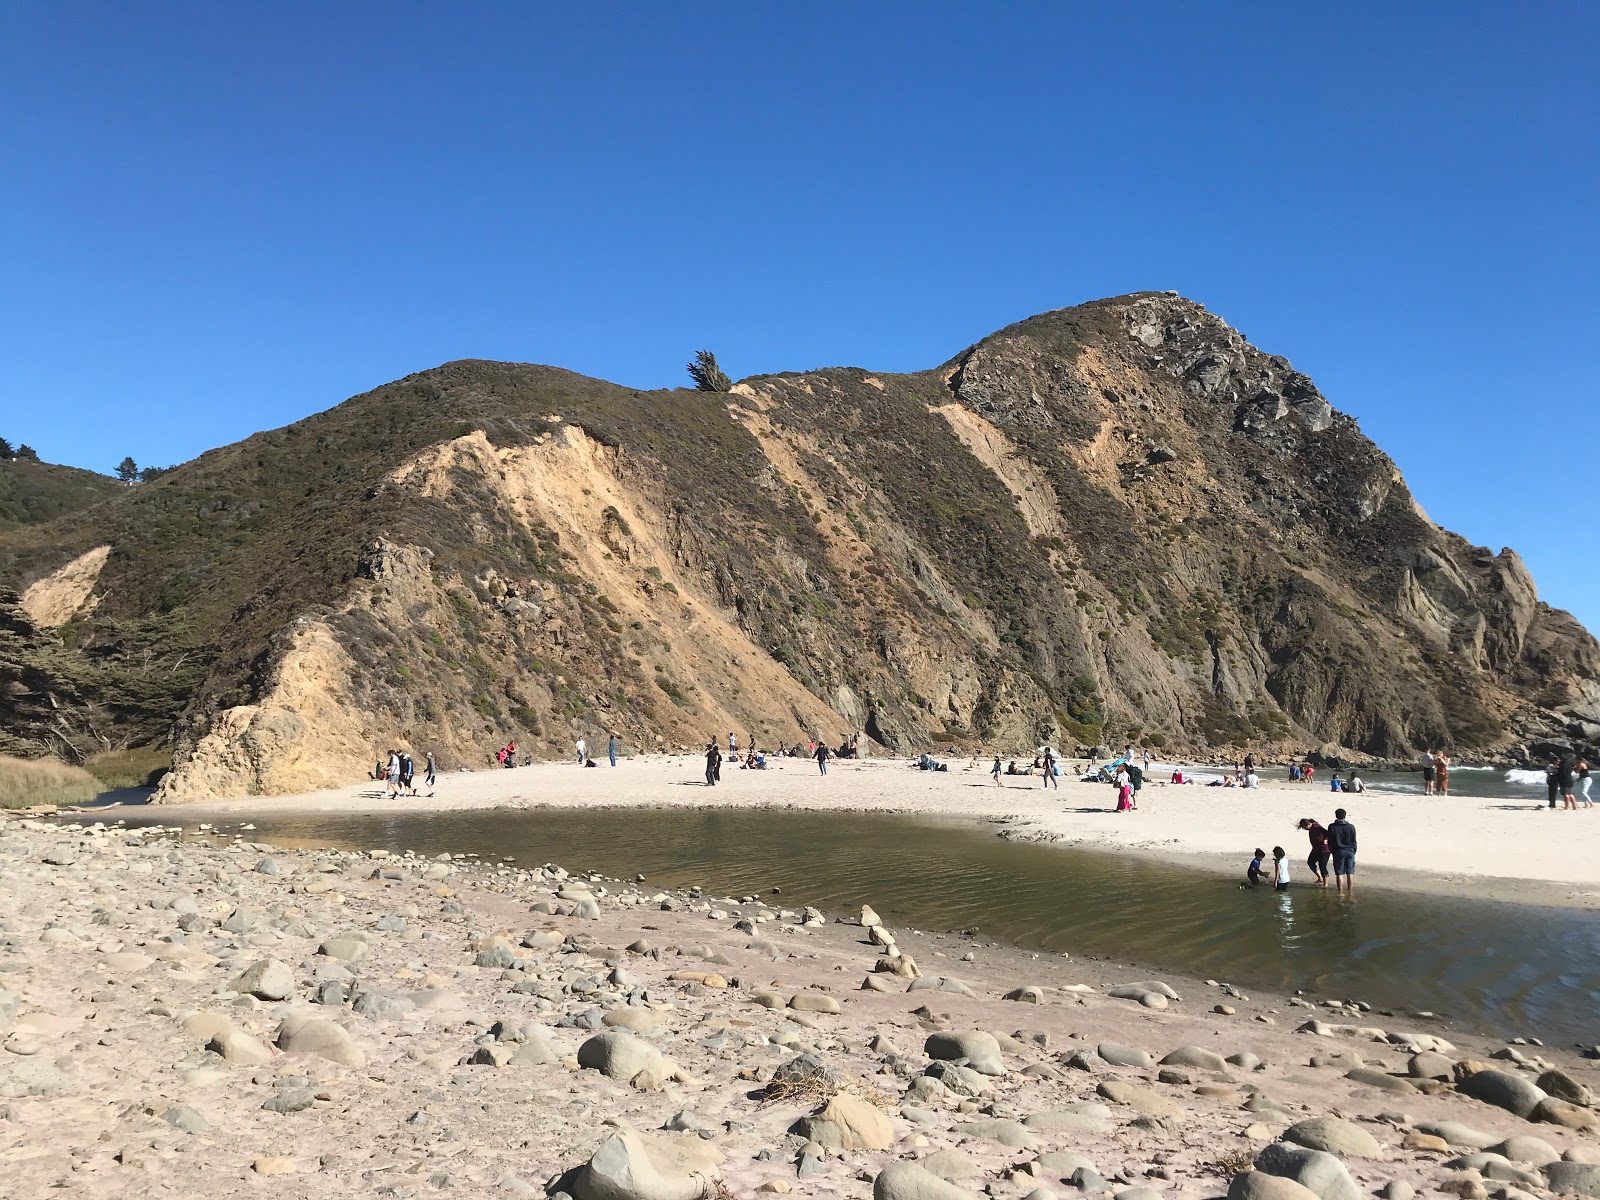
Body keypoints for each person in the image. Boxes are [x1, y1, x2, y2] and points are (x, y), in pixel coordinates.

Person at [1328, 807, 1357, 893]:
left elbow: (1330, 840)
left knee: (1339, 873)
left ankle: (1340, 892)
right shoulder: (1351, 827)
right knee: (1350, 872)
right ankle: (1350, 891)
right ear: (1345, 816)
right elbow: (1354, 840)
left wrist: (1332, 851)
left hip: (1338, 851)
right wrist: (1354, 850)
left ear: (1336, 815)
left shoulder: (1332, 827)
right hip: (1350, 850)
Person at [1297, 817, 1330, 887]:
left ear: (1308, 824)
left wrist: (1326, 839)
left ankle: (1325, 884)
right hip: (1316, 848)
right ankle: (1320, 878)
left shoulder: (1317, 827)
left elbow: (1328, 833)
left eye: (1304, 827)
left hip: (1324, 849)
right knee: (1310, 862)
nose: (1304, 829)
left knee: (1323, 866)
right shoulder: (1312, 827)